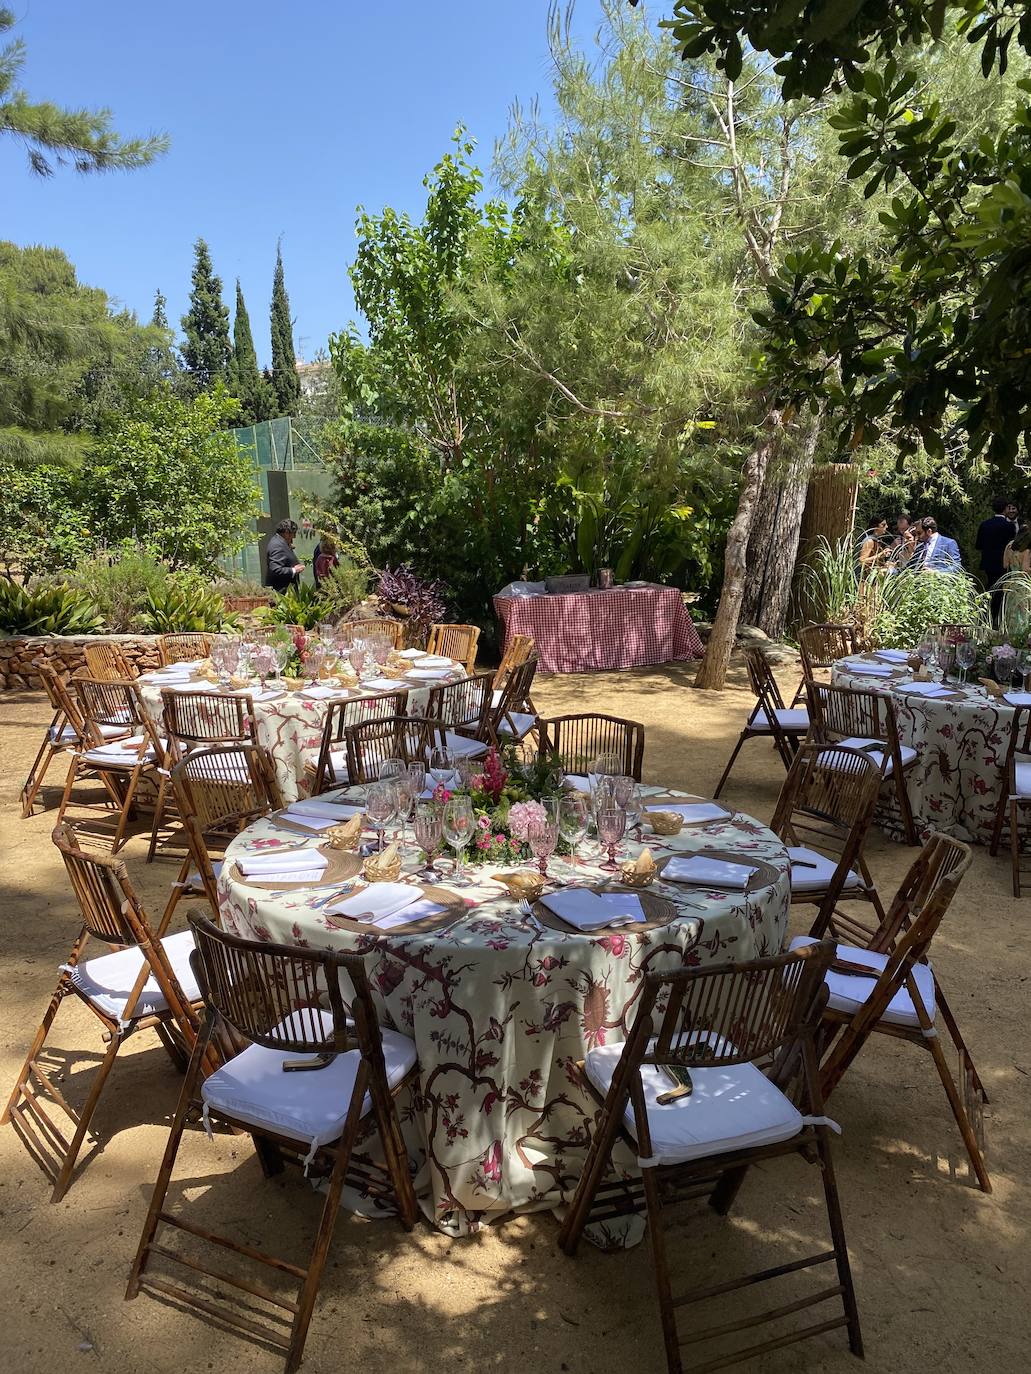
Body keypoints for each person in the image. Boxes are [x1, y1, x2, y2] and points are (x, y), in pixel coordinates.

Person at [975, 497, 1017, 587]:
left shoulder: (984, 524)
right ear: (1005, 509)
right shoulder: (1009, 526)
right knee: (1001, 586)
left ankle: (989, 600)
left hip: (988, 562)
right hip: (1003, 562)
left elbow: (978, 545)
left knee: (991, 584)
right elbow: (1012, 546)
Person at [265, 518, 304, 593]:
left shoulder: (280, 543)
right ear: (286, 532)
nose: (294, 537)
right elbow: (275, 569)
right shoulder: (277, 545)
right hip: (282, 594)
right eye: (294, 534)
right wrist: (294, 570)